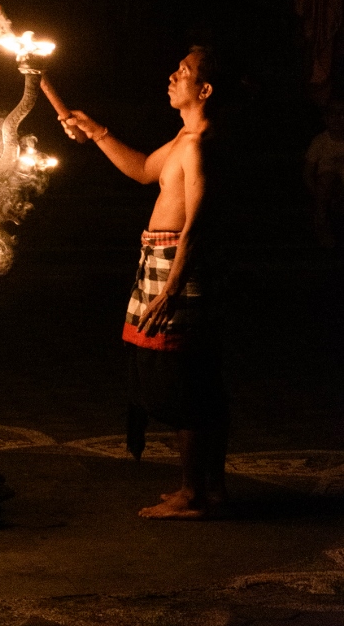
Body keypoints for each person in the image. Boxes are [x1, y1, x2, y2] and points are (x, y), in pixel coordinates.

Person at [63, 45, 229, 519]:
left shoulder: (198, 145)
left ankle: (194, 493)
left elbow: (198, 222)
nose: (173, 75)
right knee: (188, 382)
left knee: (183, 385)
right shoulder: (183, 138)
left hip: (180, 268)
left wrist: (173, 288)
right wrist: (97, 132)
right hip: (162, 263)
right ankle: (208, 489)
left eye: (184, 71)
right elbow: (141, 170)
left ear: (204, 89)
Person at [304, 99, 344, 248]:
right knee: (327, 177)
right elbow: (308, 172)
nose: (337, 118)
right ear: (326, 118)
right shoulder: (320, 141)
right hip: (326, 188)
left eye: (342, 114)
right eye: (332, 114)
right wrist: (318, 194)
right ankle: (321, 224)